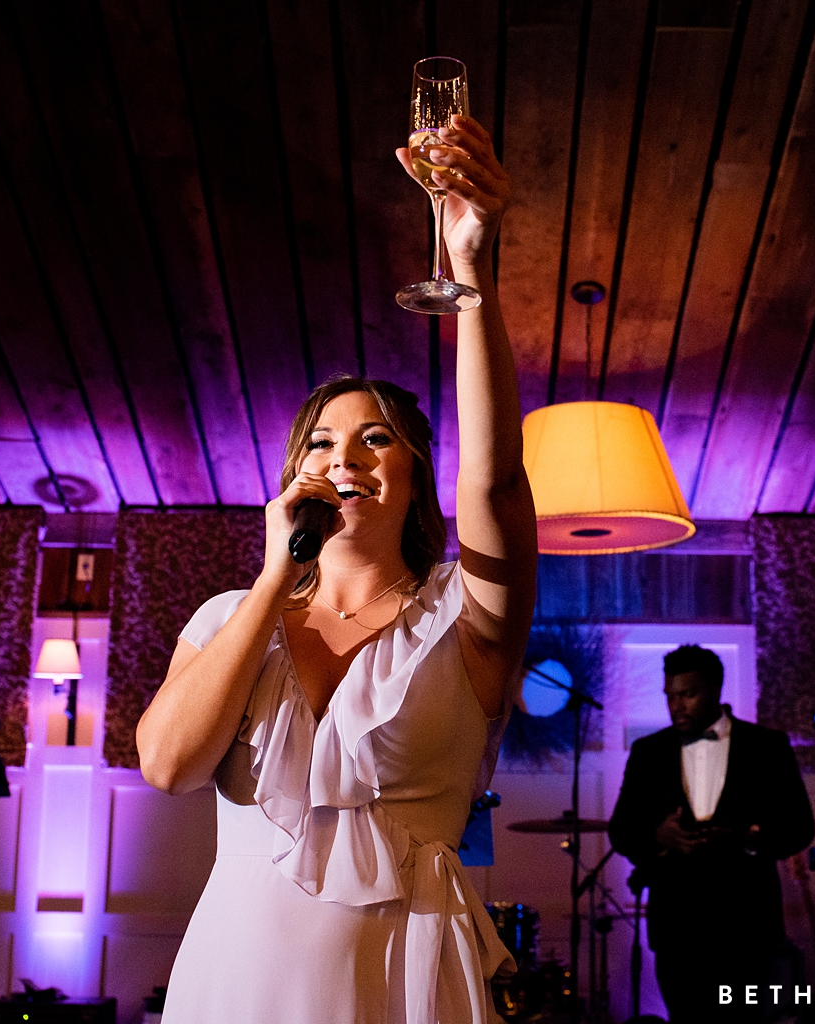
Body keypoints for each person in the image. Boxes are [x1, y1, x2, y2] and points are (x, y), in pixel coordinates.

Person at [136, 115, 537, 1024]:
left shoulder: (463, 616)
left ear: (417, 474)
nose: (341, 457)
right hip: (235, 979)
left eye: (375, 439)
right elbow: (166, 765)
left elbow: (500, 482)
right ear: (290, 478)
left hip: (402, 981)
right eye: (319, 442)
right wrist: (276, 582)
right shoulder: (232, 616)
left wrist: (469, 270)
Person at [608, 645, 815, 1023]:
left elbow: (800, 827)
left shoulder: (766, 747)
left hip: (747, 924)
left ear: (716, 690)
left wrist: (748, 838)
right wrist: (659, 836)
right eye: (670, 696)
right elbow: (621, 831)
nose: (676, 706)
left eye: (688, 694)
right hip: (676, 927)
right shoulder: (648, 752)